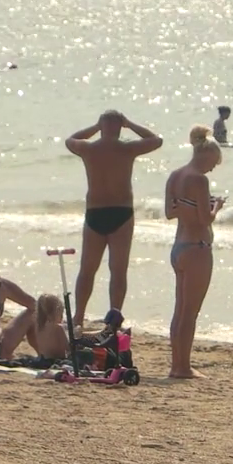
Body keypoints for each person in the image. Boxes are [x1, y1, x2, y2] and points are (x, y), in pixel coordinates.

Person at [65, 110, 163, 328]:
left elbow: (70, 140)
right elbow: (156, 140)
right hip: (121, 213)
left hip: (95, 212)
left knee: (87, 269)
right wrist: (130, 124)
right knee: (118, 270)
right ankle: (113, 319)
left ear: (102, 127)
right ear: (120, 127)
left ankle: (79, 316)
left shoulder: (88, 149)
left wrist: (95, 127)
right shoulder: (127, 149)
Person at [164, 126, 224, 379]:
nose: (212, 169)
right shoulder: (199, 179)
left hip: (179, 247)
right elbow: (204, 220)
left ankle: (177, 364)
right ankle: (183, 367)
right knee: (190, 313)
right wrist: (216, 206)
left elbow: (170, 212)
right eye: (214, 163)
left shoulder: (175, 176)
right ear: (206, 155)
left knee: (180, 310)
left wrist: (187, 207)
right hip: (197, 248)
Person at [2, 294, 69, 361]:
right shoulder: (58, 328)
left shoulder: (39, 328)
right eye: (60, 314)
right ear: (51, 315)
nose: (62, 317)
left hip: (44, 360)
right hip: (57, 359)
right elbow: (68, 347)